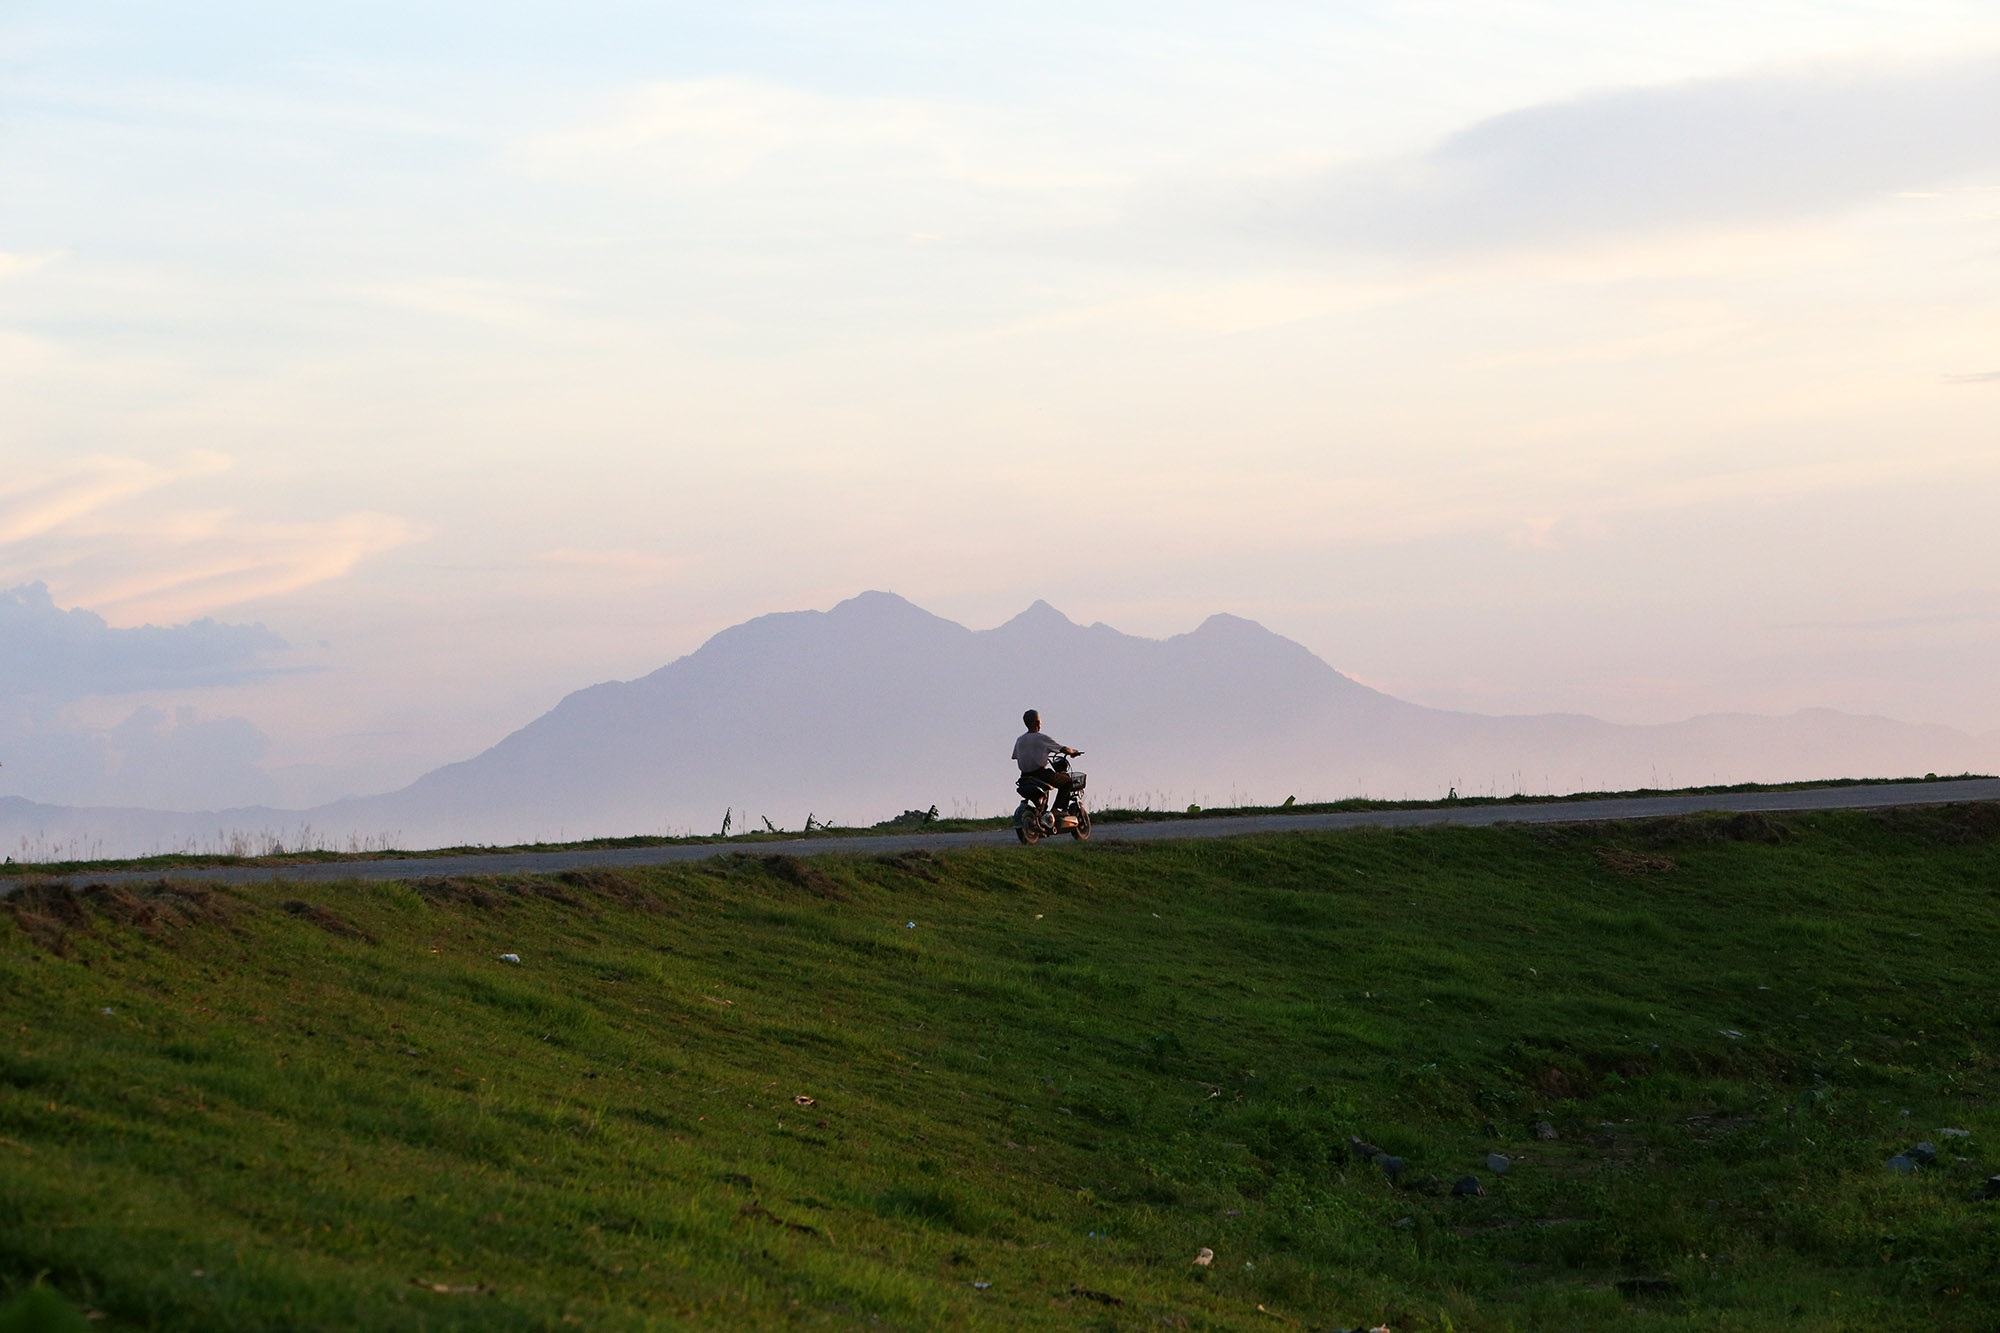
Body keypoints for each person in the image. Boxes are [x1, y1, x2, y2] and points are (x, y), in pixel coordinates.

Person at [1012, 709, 1082, 812]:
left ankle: (1043, 812)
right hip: (1040, 774)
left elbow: (1015, 756)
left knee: (1047, 785)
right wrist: (1073, 752)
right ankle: (1057, 810)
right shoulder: (1042, 738)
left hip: (1024, 776)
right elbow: (1062, 749)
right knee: (1067, 782)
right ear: (1037, 723)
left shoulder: (1020, 740)